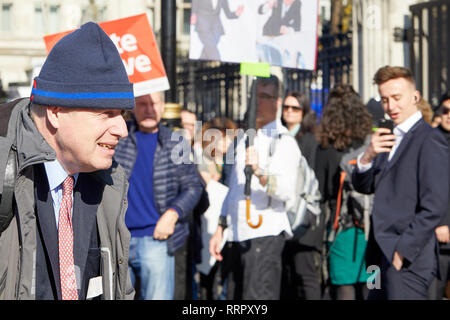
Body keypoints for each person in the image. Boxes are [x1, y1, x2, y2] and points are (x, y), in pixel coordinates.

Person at [0, 22, 134, 300]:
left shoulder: (108, 180)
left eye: (122, 113)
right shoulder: (5, 168)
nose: (122, 128)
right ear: (56, 112)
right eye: (106, 113)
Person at [352, 66, 449, 300]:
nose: (390, 107)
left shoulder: (430, 139)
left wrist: (403, 250)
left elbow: (434, 205)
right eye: (385, 100)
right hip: (376, 256)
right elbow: (364, 186)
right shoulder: (388, 137)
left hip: (405, 258)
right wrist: (367, 157)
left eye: (397, 98)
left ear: (415, 97)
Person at [209, 75, 301, 300]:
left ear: (277, 102)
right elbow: (233, 188)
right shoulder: (244, 139)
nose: (257, 103)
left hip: (264, 234)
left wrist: (259, 172)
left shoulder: (284, 141)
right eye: (254, 97)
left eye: (264, 97)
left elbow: (287, 191)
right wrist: (221, 226)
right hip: (237, 234)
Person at [114, 91, 204, 300]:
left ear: (163, 106)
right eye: (142, 103)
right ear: (133, 106)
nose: (149, 109)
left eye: (154, 103)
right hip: (118, 238)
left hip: (157, 239)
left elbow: (193, 186)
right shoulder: (119, 137)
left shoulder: (176, 142)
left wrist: (173, 213)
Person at [315, 85, 373, 300]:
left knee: (344, 285)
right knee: (372, 282)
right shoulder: (370, 143)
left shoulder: (327, 148)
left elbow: (320, 191)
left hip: (342, 228)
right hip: (371, 227)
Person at [279, 91, 323, 300]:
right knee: (287, 275)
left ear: (304, 112)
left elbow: (311, 179)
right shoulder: (278, 136)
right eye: (286, 107)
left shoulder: (309, 139)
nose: (289, 111)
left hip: (303, 215)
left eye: (295, 108)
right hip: (283, 212)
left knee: (305, 274)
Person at [428, 91, 450, 300]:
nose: (449, 115)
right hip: (438, 237)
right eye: (446, 110)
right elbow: (430, 189)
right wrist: (441, 222)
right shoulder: (430, 142)